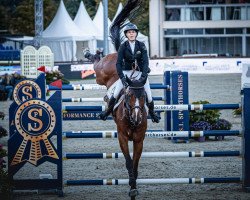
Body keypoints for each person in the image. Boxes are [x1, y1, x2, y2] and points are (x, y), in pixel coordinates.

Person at [99, 23, 160, 123]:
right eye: (129, 32)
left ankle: (153, 114)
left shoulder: (142, 45)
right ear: (126, 35)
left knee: (149, 95)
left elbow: (145, 62)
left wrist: (144, 77)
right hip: (126, 73)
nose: (131, 34)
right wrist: (122, 78)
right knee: (115, 94)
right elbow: (118, 63)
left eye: (133, 32)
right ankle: (107, 112)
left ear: (136, 34)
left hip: (140, 73)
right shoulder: (123, 46)